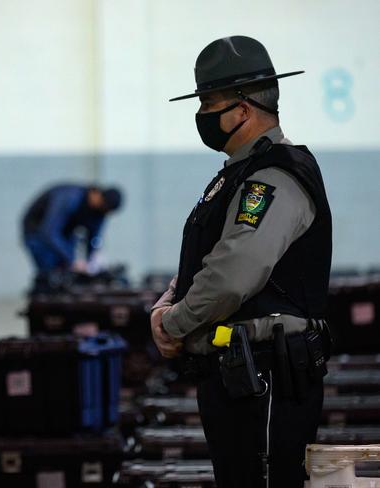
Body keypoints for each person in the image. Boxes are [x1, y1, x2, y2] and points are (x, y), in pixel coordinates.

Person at [150, 36, 332, 488]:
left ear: (244, 108)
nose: (202, 116)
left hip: (265, 380)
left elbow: (234, 274)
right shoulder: (239, 174)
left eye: (209, 103)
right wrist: (168, 302)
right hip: (237, 376)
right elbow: (209, 257)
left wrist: (174, 324)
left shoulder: (272, 179)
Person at [21, 183, 122, 277]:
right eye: (102, 206)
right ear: (97, 195)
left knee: (69, 271)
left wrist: (92, 260)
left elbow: (94, 237)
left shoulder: (99, 211)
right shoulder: (70, 197)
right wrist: (72, 259)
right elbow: (49, 231)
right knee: (51, 271)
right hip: (37, 232)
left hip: (62, 234)